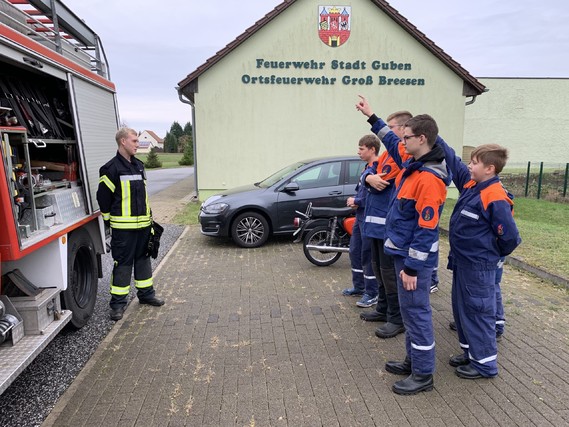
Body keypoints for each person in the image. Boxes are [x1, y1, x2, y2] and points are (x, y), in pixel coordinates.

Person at [356, 95, 451, 395]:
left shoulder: (430, 179)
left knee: (418, 314)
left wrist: (411, 267)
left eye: (406, 136)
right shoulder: (413, 163)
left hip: (413, 261)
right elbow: (389, 140)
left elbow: (426, 230)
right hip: (401, 254)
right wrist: (371, 116)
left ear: (421, 139)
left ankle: (423, 374)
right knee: (410, 314)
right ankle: (413, 360)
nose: (401, 140)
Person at [438, 140, 520, 379]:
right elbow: (453, 162)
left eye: (474, 162)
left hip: (479, 266)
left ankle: (484, 365)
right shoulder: (475, 186)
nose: (469, 166)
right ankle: (470, 353)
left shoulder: (494, 195)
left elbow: (510, 238)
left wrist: (490, 253)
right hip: (463, 263)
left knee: (478, 312)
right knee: (463, 310)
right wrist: (436, 136)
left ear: (490, 169)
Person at [97, 128, 165, 321]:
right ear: (123, 142)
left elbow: (142, 197)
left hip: (143, 227)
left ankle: (146, 295)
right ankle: (118, 305)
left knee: (143, 260)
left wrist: (150, 221)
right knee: (123, 265)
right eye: (134, 141)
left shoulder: (139, 166)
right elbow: (103, 198)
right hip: (123, 230)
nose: (138, 144)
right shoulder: (110, 169)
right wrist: (109, 221)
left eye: (137, 141)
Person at [359, 111, 412, 339]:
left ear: (403, 129)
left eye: (391, 128)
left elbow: (384, 180)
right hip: (374, 224)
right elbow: (372, 172)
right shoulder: (388, 155)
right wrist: (367, 177)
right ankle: (382, 308)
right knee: (378, 268)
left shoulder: (402, 155)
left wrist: (371, 179)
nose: (388, 132)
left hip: (387, 226)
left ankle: (396, 318)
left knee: (389, 272)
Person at [342, 135, 380, 309]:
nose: (358, 152)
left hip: (368, 218)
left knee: (367, 254)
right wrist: (356, 200)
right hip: (360, 217)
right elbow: (362, 191)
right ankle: (359, 286)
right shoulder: (367, 168)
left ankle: (372, 293)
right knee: (355, 251)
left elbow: (374, 197)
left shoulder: (378, 169)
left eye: (361, 148)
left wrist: (356, 202)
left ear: (372, 149)